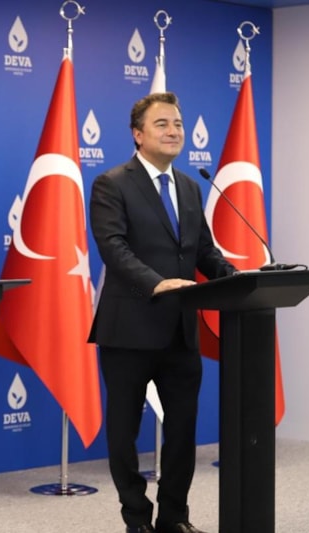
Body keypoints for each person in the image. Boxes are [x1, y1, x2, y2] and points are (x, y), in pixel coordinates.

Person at [88, 92, 236, 533]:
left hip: (180, 332)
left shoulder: (189, 186)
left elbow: (204, 251)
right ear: (138, 135)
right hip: (129, 329)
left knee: (182, 431)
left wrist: (239, 277)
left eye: (178, 124)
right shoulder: (111, 184)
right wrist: (155, 282)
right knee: (124, 433)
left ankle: (174, 517)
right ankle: (137, 518)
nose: (174, 131)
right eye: (162, 124)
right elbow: (113, 248)